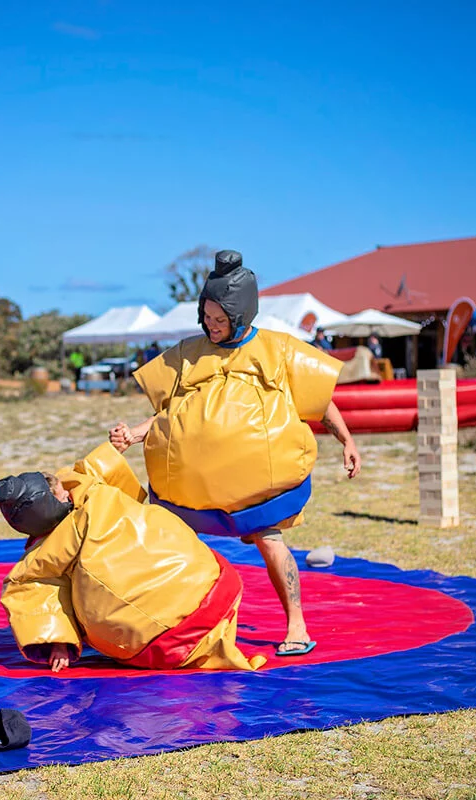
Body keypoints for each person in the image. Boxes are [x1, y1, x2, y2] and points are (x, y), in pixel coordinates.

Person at [109, 249, 361, 658]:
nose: (211, 326)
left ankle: (296, 624)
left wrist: (346, 440)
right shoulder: (188, 352)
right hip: (187, 494)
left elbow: (321, 400)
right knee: (167, 545)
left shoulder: (279, 350)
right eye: (206, 318)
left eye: (219, 320)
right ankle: (160, 624)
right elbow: (167, 413)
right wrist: (133, 434)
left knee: (271, 542)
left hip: (256, 491)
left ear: (241, 315)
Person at [0, 441, 266, 673]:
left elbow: (29, 591)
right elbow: (98, 466)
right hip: (213, 588)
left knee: (74, 587)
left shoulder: (41, 557)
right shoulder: (91, 488)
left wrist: (57, 642)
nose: (68, 491)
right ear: (53, 496)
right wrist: (116, 446)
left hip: (153, 642)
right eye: (61, 490)